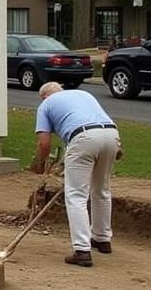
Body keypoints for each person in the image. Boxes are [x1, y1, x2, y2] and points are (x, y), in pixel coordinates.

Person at [31, 81, 122, 268]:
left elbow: (44, 144)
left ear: (44, 96)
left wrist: (39, 163)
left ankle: (82, 250)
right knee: (101, 190)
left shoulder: (46, 105)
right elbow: (97, 120)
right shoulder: (84, 95)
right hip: (111, 135)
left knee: (76, 195)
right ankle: (102, 239)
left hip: (82, 139)